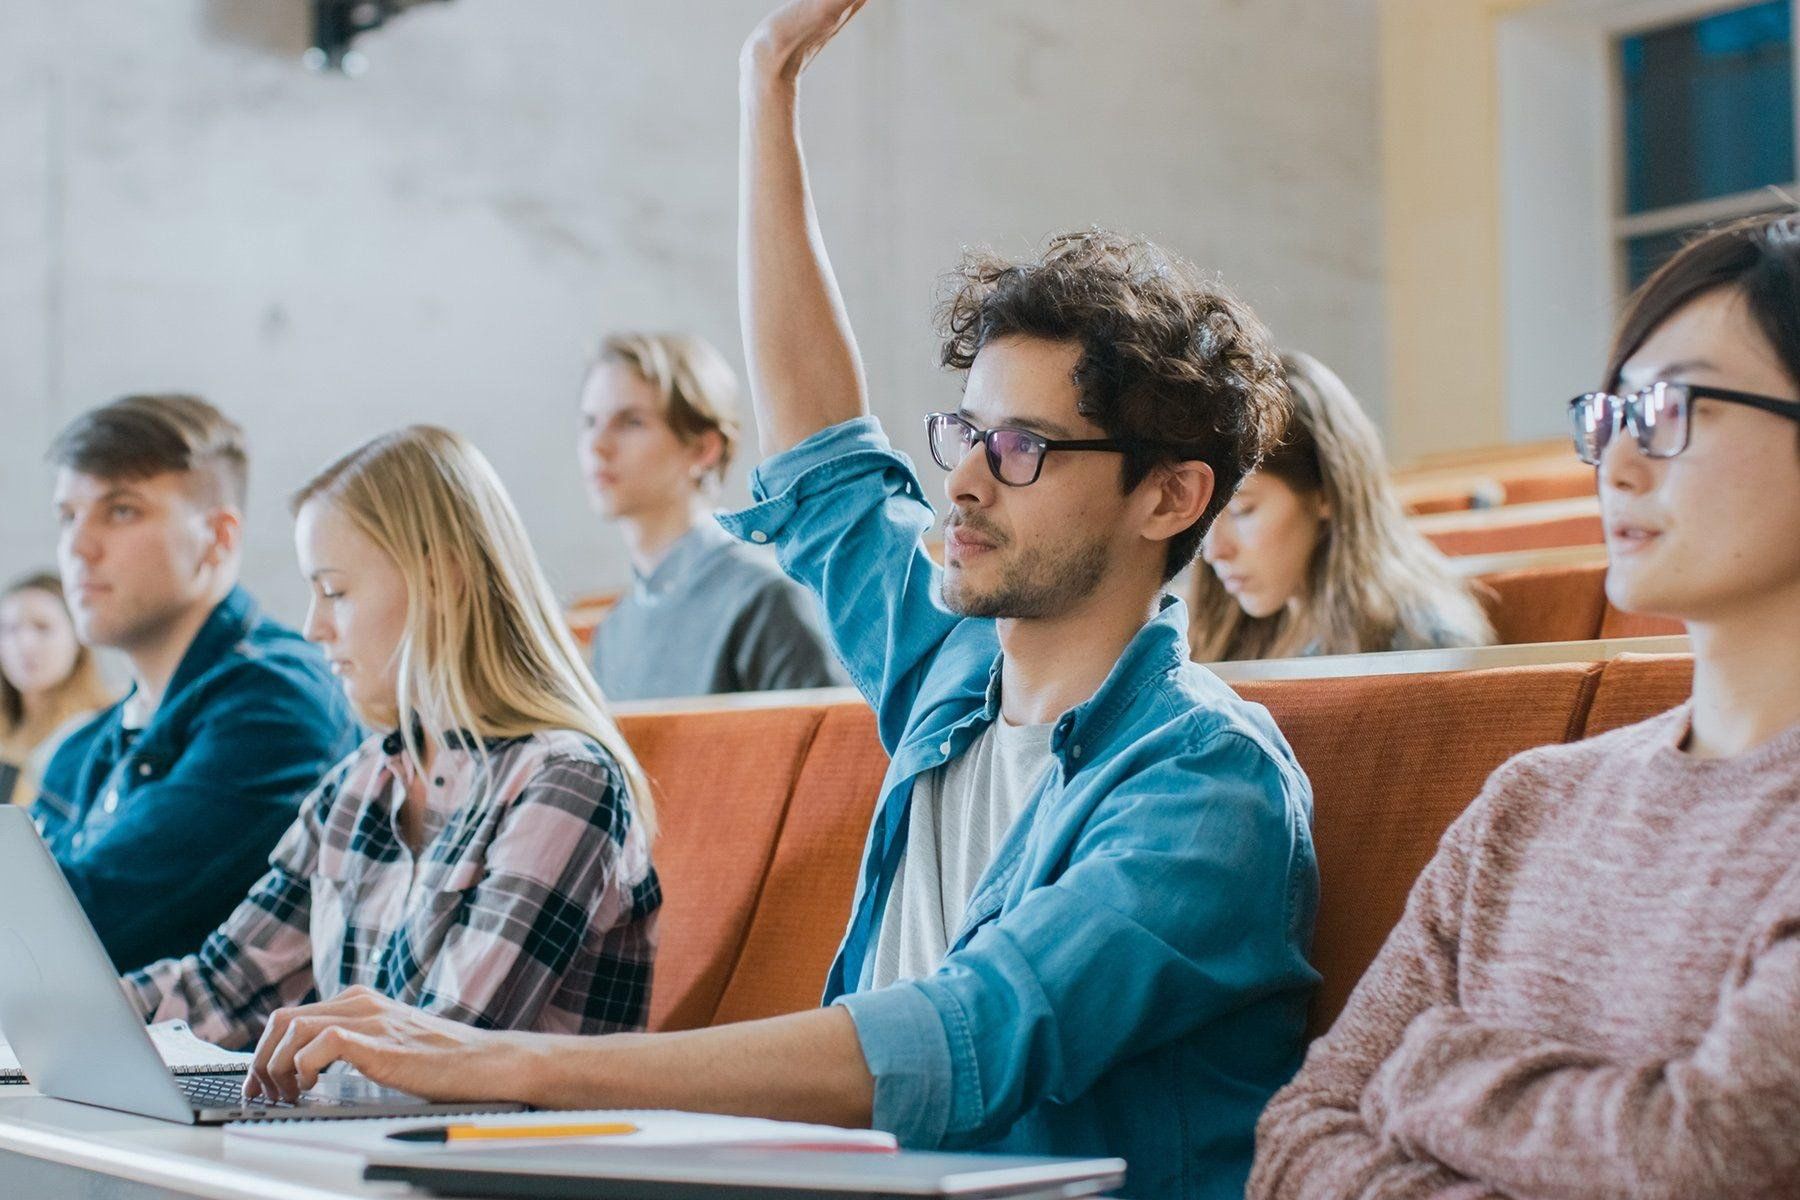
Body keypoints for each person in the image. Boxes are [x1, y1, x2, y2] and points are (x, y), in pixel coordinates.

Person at [240, 4, 1318, 1198]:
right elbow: (825, 461)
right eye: (963, 428)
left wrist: (503, 1064)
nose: (961, 475)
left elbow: (968, 1035)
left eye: (1020, 447)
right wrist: (767, 84)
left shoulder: (1208, 786)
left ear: (1169, 496)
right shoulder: (952, 669)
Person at [1250, 213, 1800, 1198]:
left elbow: (1712, 1163)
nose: (1617, 467)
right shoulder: (1531, 800)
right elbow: (1297, 1140)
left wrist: (1430, 1067)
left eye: (1671, 411)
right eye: (1610, 419)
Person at [125, 426, 659, 1050]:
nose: (313, 626)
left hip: (492, 1145)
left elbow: (445, 1052)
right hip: (360, 1133)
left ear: (442, 581)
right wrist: (50, 1017)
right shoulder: (358, 785)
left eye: (334, 591)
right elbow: (219, 992)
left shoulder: (566, 781)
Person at [34, 394, 359, 973]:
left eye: (122, 510)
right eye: (68, 516)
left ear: (218, 537)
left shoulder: (279, 706)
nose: (78, 548)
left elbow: (82, 933)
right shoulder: (81, 752)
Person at [579, 330, 845, 700]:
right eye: (590, 421)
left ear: (703, 449)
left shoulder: (767, 598)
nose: (597, 445)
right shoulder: (612, 634)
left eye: (631, 422)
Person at [1192, 352, 1494, 660]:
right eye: (1204, 518)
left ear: (1326, 494)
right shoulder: (1227, 628)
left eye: (1243, 511)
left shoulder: (1425, 644)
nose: (1215, 551)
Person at [0, 573, 112, 808]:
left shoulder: (100, 734)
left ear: (78, 638)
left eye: (42, 628)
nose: (24, 644)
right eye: (9, 629)